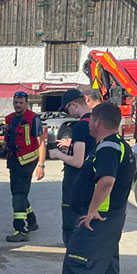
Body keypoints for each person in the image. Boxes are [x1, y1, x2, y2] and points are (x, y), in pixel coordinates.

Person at [46, 101, 135, 274]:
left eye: (91, 120)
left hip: (96, 221)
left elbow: (106, 181)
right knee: (107, 269)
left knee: (77, 270)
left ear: (97, 121)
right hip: (112, 220)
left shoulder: (106, 147)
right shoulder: (121, 146)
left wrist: (91, 211)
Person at [48, 88, 96, 246]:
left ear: (74, 104)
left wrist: (57, 154)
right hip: (90, 181)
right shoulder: (96, 123)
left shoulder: (80, 127)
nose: (68, 113)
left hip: (75, 183)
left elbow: (77, 161)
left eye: (67, 108)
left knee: (71, 224)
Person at [4, 91, 46, 242]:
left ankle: (20, 229)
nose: (18, 105)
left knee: (18, 194)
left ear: (26, 104)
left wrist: (41, 165)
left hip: (28, 161)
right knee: (18, 193)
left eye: (21, 103)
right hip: (14, 160)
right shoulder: (10, 119)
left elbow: (41, 143)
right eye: (16, 102)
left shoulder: (33, 119)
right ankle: (32, 221)